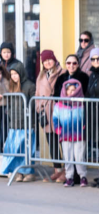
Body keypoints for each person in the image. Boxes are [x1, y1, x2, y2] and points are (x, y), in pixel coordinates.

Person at [34, 50, 64, 182]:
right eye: (45, 61)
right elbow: (37, 94)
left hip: (59, 111)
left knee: (64, 141)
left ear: (54, 59)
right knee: (51, 142)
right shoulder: (41, 76)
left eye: (49, 59)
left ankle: (67, 171)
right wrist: (39, 107)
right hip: (45, 112)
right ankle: (57, 169)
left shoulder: (62, 73)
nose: (47, 62)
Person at [53, 79, 87, 187]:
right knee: (67, 157)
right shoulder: (59, 105)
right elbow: (55, 118)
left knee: (79, 156)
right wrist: (58, 129)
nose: (71, 92)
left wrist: (84, 127)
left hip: (79, 135)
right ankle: (69, 177)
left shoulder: (81, 104)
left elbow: (85, 117)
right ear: (65, 91)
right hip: (66, 135)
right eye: (69, 90)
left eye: (73, 90)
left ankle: (83, 176)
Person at [5, 64, 36, 181]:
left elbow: (33, 102)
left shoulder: (29, 85)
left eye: (15, 74)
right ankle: (18, 171)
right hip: (15, 123)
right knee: (16, 149)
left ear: (21, 73)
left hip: (26, 124)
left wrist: (26, 111)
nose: (13, 76)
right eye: (12, 74)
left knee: (27, 149)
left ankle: (29, 172)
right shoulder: (12, 86)